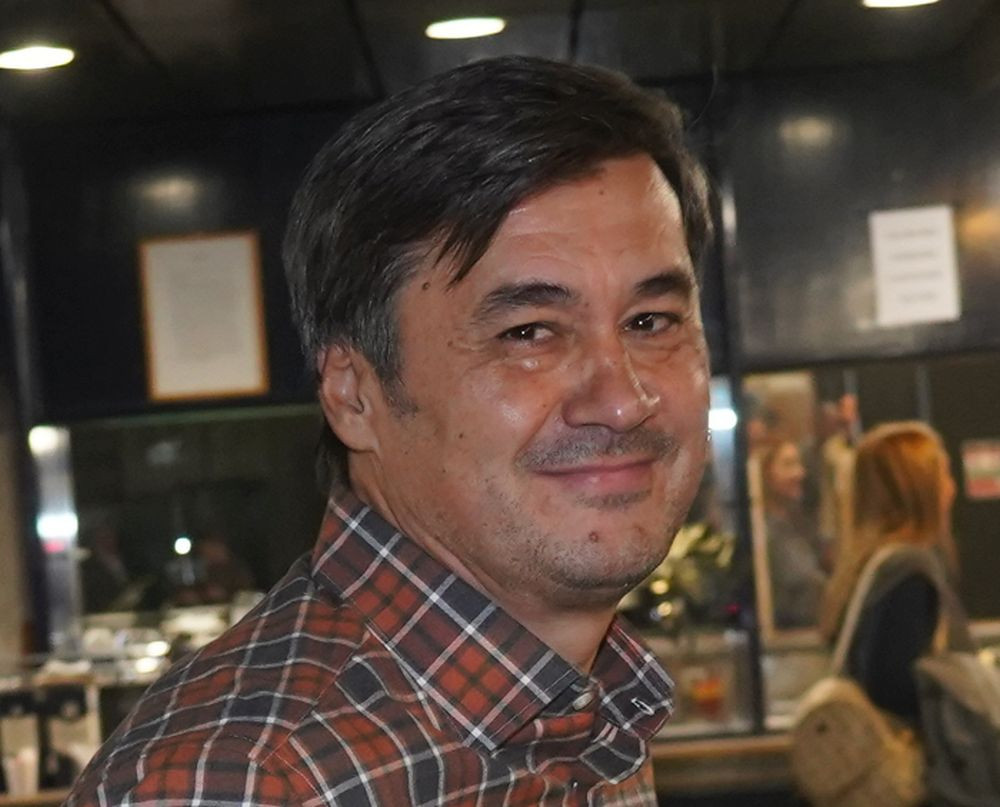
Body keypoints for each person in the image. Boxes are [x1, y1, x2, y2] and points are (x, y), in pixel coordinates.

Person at [67, 55, 713, 805]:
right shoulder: (236, 784)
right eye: (529, 332)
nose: (623, 399)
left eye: (650, 321)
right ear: (354, 394)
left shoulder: (586, 712)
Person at [819, 421, 965, 726]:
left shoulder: (867, 565)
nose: (951, 489)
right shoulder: (908, 568)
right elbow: (893, 685)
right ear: (919, 488)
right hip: (911, 748)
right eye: (943, 476)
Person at [760, 438, 829, 629]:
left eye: (799, 464)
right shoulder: (763, 533)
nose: (800, 473)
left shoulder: (798, 526)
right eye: (788, 464)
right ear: (767, 473)